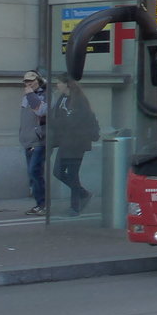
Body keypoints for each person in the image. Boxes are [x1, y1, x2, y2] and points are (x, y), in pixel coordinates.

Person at [48, 73, 99, 216]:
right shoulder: (62, 98)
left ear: (66, 84)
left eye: (59, 82)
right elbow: (58, 118)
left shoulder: (79, 100)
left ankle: (75, 206)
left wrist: (57, 123)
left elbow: (74, 122)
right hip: (65, 141)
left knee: (72, 174)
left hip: (76, 142)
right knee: (58, 171)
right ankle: (83, 193)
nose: (57, 85)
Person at [18, 70, 48, 216]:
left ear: (39, 80)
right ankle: (39, 204)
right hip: (28, 140)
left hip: (39, 141)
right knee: (33, 174)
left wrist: (30, 94)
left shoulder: (44, 95)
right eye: (26, 81)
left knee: (35, 172)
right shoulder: (26, 96)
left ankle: (43, 204)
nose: (28, 83)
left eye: (31, 80)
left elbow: (41, 111)